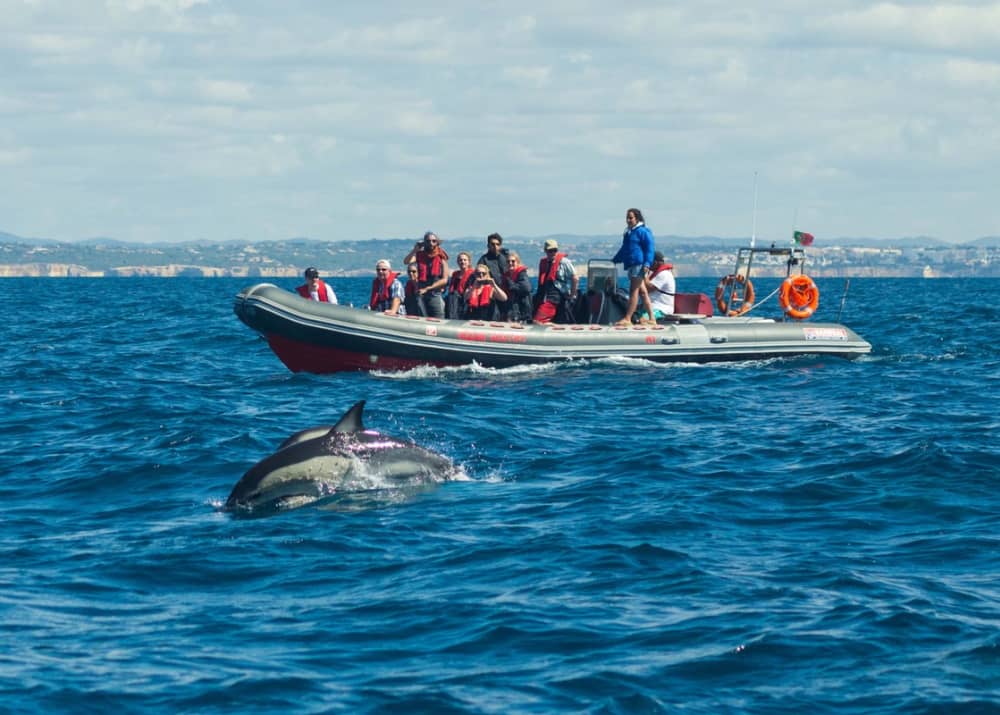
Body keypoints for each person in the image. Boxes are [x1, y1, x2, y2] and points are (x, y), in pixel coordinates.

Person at [612, 208, 655, 325]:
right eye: (627, 218)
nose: (628, 220)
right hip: (631, 265)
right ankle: (652, 318)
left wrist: (647, 263)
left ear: (637, 218)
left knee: (633, 290)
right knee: (643, 292)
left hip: (639, 265)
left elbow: (649, 248)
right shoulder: (628, 233)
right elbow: (624, 249)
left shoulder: (643, 231)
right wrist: (615, 259)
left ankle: (628, 318)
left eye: (631, 217)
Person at [403, 231, 449, 318]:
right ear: (425, 242)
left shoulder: (441, 258)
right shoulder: (419, 255)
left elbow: (444, 280)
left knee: (438, 317)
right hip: (421, 293)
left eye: (433, 241)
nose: (431, 243)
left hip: (434, 293)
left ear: (437, 243)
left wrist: (428, 288)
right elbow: (406, 261)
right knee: (422, 317)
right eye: (428, 241)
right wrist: (415, 250)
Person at [533, 239, 579, 323]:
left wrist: (572, 294)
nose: (553, 253)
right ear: (545, 251)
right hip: (546, 295)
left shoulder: (564, 262)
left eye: (555, 250)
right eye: (550, 251)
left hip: (556, 297)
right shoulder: (544, 263)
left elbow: (575, 278)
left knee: (538, 320)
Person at [638, 251, 675, 323]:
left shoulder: (664, 274)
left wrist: (644, 274)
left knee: (643, 320)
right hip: (650, 307)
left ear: (655, 262)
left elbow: (648, 288)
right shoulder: (655, 274)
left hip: (661, 309)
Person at [500, 251, 533, 323]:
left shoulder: (522, 274)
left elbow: (527, 288)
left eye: (513, 261)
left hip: (522, 313)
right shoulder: (506, 277)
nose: (510, 263)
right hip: (511, 311)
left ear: (517, 262)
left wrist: (511, 284)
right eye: (508, 261)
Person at [445, 251, 475, 319]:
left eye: (465, 260)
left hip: (465, 299)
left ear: (469, 262)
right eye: (460, 260)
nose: (462, 262)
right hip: (453, 299)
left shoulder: (472, 275)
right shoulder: (455, 274)